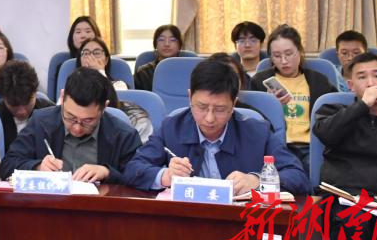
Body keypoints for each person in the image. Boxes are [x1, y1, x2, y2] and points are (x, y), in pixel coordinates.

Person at [123, 59, 310, 194]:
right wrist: (165, 175)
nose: (209, 118)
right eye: (202, 107)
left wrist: (257, 180)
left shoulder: (257, 132)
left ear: (234, 104)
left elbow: (298, 177)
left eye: (220, 109)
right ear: (189, 97)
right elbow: (133, 169)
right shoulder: (172, 128)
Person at [313, 51, 377, 240]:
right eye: (362, 77)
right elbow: (327, 135)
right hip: (343, 203)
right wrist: (363, 106)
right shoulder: (331, 111)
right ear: (350, 85)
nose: (370, 83)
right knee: (352, 223)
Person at [1, 68, 140, 182]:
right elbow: (8, 165)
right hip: (50, 205)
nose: (77, 128)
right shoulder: (40, 123)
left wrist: (107, 172)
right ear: (62, 98)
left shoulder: (123, 135)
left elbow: (140, 177)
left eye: (88, 121)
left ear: (104, 107)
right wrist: (38, 167)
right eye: (70, 117)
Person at [249, 23, 335, 170]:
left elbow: (333, 116)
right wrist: (270, 106)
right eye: (277, 56)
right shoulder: (260, 81)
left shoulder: (319, 81)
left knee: (315, 170)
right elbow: (251, 121)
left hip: (310, 147)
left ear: (300, 51)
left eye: (289, 54)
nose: (283, 61)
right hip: (276, 146)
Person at [76, 37, 154, 142]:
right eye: (86, 53)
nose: (91, 58)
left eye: (96, 53)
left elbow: (112, 104)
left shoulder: (119, 85)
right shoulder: (71, 89)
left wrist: (99, 71)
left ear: (106, 60)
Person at [0, 59, 52, 153]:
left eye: (27, 103)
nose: (22, 112)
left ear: (35, 92)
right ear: (3, 98)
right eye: (14, 105)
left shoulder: (51, 113)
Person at [132, 24, 183, 92]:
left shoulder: (189, 70)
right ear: (155, 44)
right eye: (161, 40)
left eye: (172, 40)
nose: (167, 44)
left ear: (179, 45)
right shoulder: (143, 73)